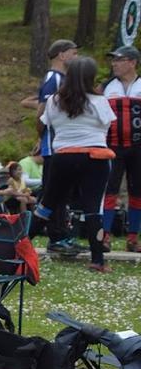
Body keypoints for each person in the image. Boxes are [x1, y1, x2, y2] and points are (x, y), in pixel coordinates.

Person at [35, 56, 116, 272]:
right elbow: (108, 125)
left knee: (47, 205)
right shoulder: (100, 101)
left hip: (63, 157)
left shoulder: (54, 101)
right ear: (91, 77)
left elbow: (44, 123)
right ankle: (97, 260)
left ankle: (17, 246)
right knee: (93, 209)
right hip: (95, 158)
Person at [25, 39, 79, 247]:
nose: (76, 58)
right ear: (61, 55)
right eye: (73, 53)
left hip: (63, 144)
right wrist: (42, 135)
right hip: (54, 144)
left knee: (60, 191)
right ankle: (55, 235)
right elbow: (42, 110)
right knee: (53, 191)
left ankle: (59, 233)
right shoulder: (53, 78)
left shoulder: (65, 78)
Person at [101, 45, 141, 252]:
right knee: (109, 190)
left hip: (138, 148)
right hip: (112, 146)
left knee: (138, 192)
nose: (114, 64)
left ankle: (133, 238)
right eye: (113, 60)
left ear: (132, 62)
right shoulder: (107, 86)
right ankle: (105, 236)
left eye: (119, 60)